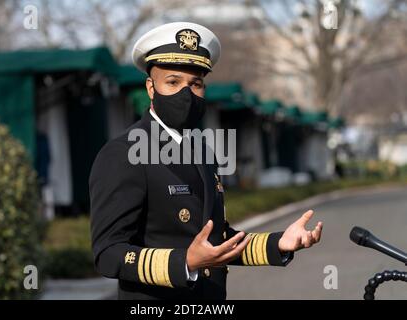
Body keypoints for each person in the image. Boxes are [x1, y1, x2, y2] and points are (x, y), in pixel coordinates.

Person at [89, 22, 323, 300]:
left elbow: (217, 240)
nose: (186, 94)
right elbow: (108, 253)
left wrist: (278, 243)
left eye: (195, 84)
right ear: (151, 88)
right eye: (173, 82)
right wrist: (184, 262)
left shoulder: (202, 150)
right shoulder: (123, 153)